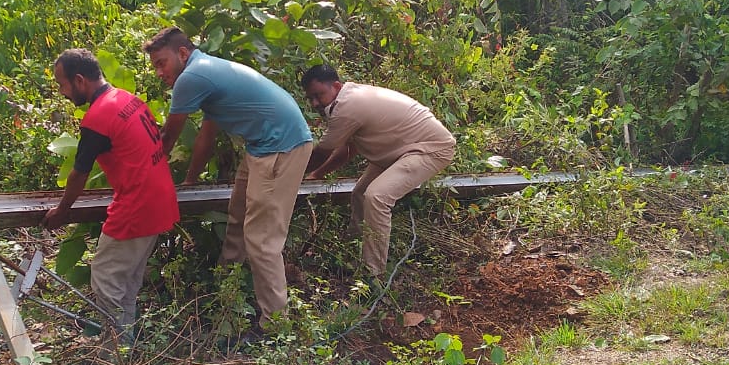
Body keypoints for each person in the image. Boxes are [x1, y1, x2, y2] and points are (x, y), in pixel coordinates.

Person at [143, 27, 313, 330]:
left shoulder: (192, 78)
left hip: (280, 147)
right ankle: (227, 289)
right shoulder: (208, 72)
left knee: (262, 240)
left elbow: (167, 138)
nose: (159, 72)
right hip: (262, 146)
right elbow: (205, 139)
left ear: (182, 53)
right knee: (237, 215)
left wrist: (144, 180)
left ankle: (275, 325)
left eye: (161, 62)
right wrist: (190, 181)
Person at [43, 49, 179, 345]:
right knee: (126, 283)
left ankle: (114, 356)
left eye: (62, 84)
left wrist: (62, 211)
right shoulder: (127, 99)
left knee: (106, 281)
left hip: (137, 207)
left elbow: (79, 173)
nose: (62, 92)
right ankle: (123, 350)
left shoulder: (98, 116)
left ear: (79, 80)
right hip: (160, 200)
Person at [301, 65, 456, 281]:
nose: (315, 103)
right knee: (360, 193)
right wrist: (317, 174)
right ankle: (353, 252)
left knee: (377, 197)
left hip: (430, 148)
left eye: (318, 95)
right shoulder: (350, 99)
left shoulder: (347, 106)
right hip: (400, 149)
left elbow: (321, 153)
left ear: (336, 86)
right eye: (311, 98)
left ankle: (373, 274)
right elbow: (349, 149)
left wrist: (295, 174)